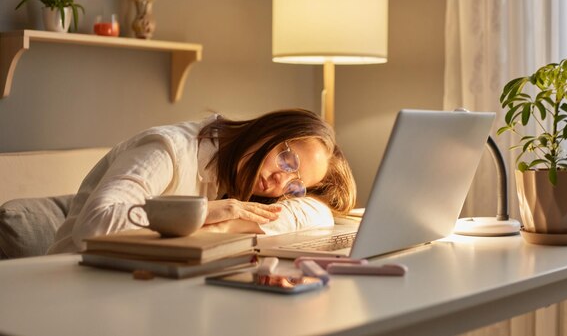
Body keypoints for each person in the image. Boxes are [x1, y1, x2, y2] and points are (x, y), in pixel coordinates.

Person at [48, 108, 357, 253]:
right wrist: (207, 213)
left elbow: (318, 214)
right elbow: (94, 227)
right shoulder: (168, 150)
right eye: (287, 160)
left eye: (294, 185)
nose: (280, 181)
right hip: (69, 282)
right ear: (268, 130)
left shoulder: (240, 184)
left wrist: (227, 225)